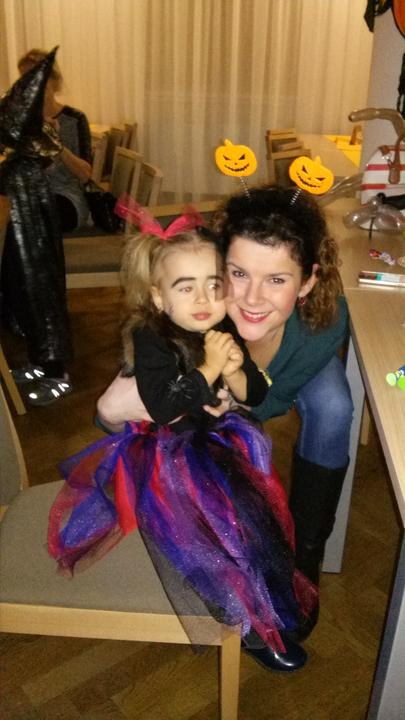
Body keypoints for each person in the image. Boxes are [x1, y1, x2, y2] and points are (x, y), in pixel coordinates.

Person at [48, 210, 318, 672]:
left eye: (214, 285)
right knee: (213, 542)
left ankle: (275, 605)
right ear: (159, 296)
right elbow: (163, 406)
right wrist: (210, 368)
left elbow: (256, 393)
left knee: (258, 523)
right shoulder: (150, 337)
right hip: (166, 456)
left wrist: (236, 371)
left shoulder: (223, 328)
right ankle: (249, 628)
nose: (203, 299)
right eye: (185, 287)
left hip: (220, 444)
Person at [97, 185, 353, 618]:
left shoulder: (324, 327)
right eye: (237, 273)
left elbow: (272, 400)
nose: (251, 298)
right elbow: (129, 407)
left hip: (288, 349)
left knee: (333, 405)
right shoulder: (189, 315)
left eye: (277, 279)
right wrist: (109, 413)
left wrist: (234, 397)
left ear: (308, 281)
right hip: (199, 421)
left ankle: (307, 555)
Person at [0, 47, 74, 405]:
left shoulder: (40, 134)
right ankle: (38, 361)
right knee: (20, 288)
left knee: (40, 290)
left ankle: (58, 372)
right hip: (16, 214)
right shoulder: (20, 130)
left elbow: (47, 157)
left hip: (34, 216)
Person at [17, 48, 92, 233]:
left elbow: (85, 175)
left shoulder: (74, 118)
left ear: (54, 81)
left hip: (66, 196)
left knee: (32, 219)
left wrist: (55, 143)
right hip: (30, 196)